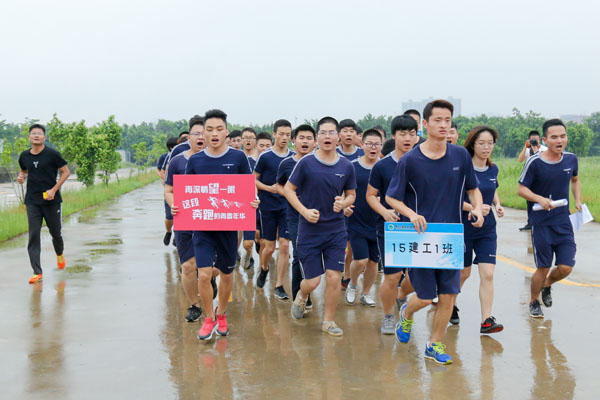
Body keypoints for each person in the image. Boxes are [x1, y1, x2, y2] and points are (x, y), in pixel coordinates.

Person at [386, 100, 483, 365]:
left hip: (451, 237)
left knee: (449, 294)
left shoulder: (460, 156)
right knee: (426, 297)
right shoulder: (410, 160)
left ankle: (434, 344)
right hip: (421, 238)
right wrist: (411, 214)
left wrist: (477, 208)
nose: (443, 125)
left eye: (447, 120)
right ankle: (406, 313)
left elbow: (473, 188)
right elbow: (392, 197)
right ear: (425, 124)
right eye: (437, 120)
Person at [184, 109, 259, 341]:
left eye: (219, 129)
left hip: (228, 228)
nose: (214, 134)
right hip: (203, 228)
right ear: (203, 133)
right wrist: (180, 208)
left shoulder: (238, 158)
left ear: (226, 132)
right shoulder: (195, 161)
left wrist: (253, 202)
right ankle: (209, 318)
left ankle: (222, 313)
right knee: (204, 274)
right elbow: (188, 194)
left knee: (227, 274)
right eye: (209, 129)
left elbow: (248, 189)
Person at [286, 117, 356, 336]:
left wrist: (344, 203)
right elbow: (288, 189)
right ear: (317, 138)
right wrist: (304, 211)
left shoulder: (346, 165)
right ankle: (302, 295)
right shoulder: (306, 163)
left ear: (338, 137)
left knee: (334, 277)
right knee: (313, 281)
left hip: (336, 230)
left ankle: (328, 321)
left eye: (331, 132)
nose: (327, 136)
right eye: (323, 133)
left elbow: (352, 194)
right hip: (310, 230)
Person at [517, 119, 581, 319]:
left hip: (563, 222)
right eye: (554, 137)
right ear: (545, 140)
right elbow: (521, 189)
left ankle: (547, 285)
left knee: (566, 266)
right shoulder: (535, 162)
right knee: (543, 267)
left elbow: (575, 179)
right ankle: (533, 301)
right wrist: (539, 199)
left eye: (563, 136)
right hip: (541, 223)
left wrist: (578, 200)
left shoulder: (571, 159)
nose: (559, 140)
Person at [366, 115, 418, 334]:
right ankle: (388, 315)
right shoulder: (382, 166)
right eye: (402, 134)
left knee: (416, 276)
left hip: (418, 228)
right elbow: (370, 195)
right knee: (393, 275)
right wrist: (384, 212)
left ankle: (402, 295)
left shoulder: (423, 162)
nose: (407, 138)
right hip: (391, 228)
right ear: (394, 136)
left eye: (412, 134)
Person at [454, 126, 504, 333]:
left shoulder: (493, 169)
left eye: (490, 143)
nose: (486, 147)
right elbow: (453, 198)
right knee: (463, 273)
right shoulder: (462, 170)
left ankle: (486, 320)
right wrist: (474, 208)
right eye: (481, 143)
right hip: (464, 227)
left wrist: (497, 204)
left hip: (487, 228)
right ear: (472, 144)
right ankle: (449, 303)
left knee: (488, 273)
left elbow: (492, 189)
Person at [164, 120, 211, 322]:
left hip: (212, 220)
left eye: (203, 133)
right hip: (186, 219)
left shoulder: (219, 160)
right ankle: (194, 305)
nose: (200, 137)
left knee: (212, 268)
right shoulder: (177, 161)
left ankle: (207, 281)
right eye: (195, 134)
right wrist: (173, 203)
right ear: (188, 138)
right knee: (188, 266)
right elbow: (168, 190)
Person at [17, 124, 71, 284]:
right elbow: (24, 171)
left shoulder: (52, 154)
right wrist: (21, 177)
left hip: (51, 201)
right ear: (29, 137)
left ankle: (59, 253)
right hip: (32, 201)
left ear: (44, 137)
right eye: (33, 133)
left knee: (56, 233)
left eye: (39, 133)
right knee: (34, 235)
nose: (36, 135)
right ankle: (37, 272)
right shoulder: (24, 156)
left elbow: (66, 172)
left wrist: (54, 190)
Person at [276, 124, 316, 309]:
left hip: (318, 216)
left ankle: (306, 290)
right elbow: (279, 185)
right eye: (301, 138)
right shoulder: (286, 164)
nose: (305, 141)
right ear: (294, 140)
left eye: (309, 138)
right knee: (300, 255)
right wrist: (289, 194)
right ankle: (299, 297)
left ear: (315, 141)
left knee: (314, 256)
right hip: (294, 217)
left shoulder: (320, 162)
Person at [254, 120, 294, 299]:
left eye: (288, 135)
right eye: (281, 134)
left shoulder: (293, 157)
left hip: (287, 206)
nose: (285, 138)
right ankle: (264, 268)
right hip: (268, 206)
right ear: (274, 134)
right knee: (269, 248)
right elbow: (253, 180)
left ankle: (279, 285)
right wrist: (268, 189)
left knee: (284, 245)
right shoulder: (265, 156)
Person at [345, 129, 383, 307]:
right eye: (369, 144)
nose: (373, 148)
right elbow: (342, 189)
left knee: (374, 261)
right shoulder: (352, 166)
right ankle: (352, 284)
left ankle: (365, 293)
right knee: (360, 259)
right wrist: (344, 205)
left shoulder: (384, 167)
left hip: (378, 222)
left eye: (377, 144)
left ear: (381, 145)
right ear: (362, 145)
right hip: (356, 220)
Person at [336, 119, 364, 289]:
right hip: (336, 206)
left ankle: (347, 275)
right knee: (340, 243)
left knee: (352, 244)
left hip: (358, 206)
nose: (348, 134)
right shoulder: (333, 153)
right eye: (345, 131)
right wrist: (343, 203)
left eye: (351, 131)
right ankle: (336, 271)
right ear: (339, 134)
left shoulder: (362, 153)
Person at [518, 130, 547, 231]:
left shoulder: (544, 149)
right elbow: (520, 159)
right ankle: (530, 222)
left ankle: (541, 222)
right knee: (530, 201)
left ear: (540, 140)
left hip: (541, 178)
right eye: (532, 140)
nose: (534, 141)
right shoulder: (527, 149)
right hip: (530, 178)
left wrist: (535, 148)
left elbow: (539, 159)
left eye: (536, 140)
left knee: (541, 200)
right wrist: (525, 146)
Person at [240, 127, 259, 269]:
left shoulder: (260, 159)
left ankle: (251, 249)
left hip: (255, 201)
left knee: (254, 237)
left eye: (251, 137)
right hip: (237, 201)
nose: (248, 140)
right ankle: (248, 255)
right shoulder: (236, 157)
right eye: (245, 137)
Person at [159, 137, 179, 246]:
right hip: (172, 190)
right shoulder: (169, 157)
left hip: (185, 191)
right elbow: (162, 172)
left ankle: (177, 235)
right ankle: (168, 231)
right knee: (170, 216)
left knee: (181, 215)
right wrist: (167, 183)